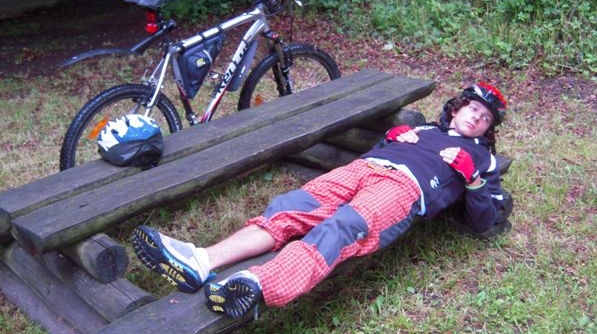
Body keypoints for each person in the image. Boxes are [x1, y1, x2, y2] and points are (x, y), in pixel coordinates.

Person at [132, 82, 511, 319]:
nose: (477, 118)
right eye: (473, 109)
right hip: (362, 169)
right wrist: (391, 139)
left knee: (342, 228)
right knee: (288, 208)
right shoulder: (424, 128)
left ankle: (256, 285)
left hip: (402, 190)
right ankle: (201, 260)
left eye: (485, 118)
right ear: (456, 107)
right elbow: (380, 150)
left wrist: (474, 179)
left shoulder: (482, 158)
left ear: (489, 129)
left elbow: (484, 220)